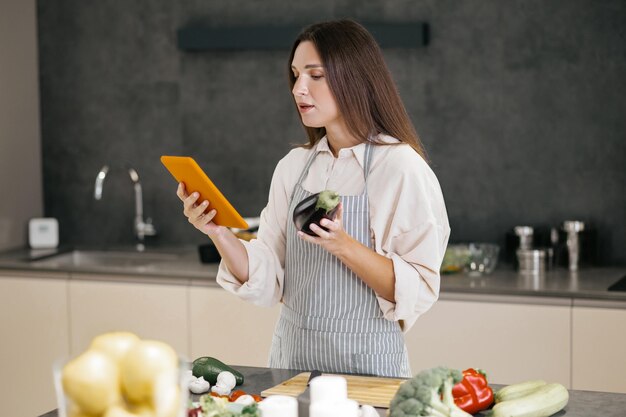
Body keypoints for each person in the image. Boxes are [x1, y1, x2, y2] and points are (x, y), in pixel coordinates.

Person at [177, 19, 450, 378]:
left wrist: (341, 244)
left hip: (367, 366)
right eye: (295, 75)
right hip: (293, 362)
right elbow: (267, 276)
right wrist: (217, 231)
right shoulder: (294, 167)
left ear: (354, 77)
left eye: (315, 76)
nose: (298, 89)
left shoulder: (399, 167)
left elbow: (419, 287)